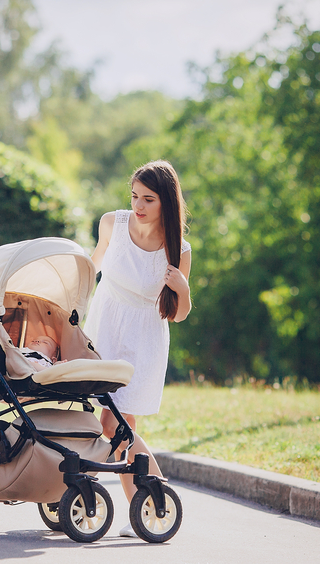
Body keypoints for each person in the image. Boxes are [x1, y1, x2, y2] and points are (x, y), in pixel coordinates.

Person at [83, 160, 192, 537]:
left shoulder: (178, 249)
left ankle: (148, 498)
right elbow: (92, 265)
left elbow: (178, 315)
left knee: (117, 422)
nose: (139, 206)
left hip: (144, 337)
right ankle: (142, 506)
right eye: (134, 196)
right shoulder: (113, 223)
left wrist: (183, 288)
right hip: (106, 322)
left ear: (167, 202)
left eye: (148, 199)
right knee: (114, 421)